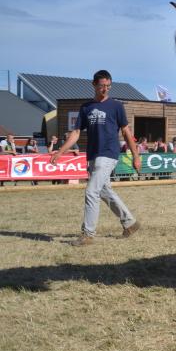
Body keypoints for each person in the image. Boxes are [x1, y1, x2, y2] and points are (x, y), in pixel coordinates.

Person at [50, 70, 142, 246]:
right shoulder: (86, 107)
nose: (105, 90)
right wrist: (60, 152)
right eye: (102, 86)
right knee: (104, 191)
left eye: (108, 86)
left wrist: (135, 156)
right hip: (93, 155)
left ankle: (87, 234)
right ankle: (130, 223)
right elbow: (76, 132)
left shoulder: (116, 106)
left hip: (108, 154)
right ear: (94, 85)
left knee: (91, 191)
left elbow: (126, 132)